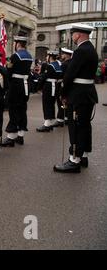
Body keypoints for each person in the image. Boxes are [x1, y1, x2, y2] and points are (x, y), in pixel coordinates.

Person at [54, 24, 98, 173]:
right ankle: (83, 155)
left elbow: (70, 75)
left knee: (76, 127)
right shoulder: (90, 49)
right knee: (84, 126)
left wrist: (64, 94)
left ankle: (74, 159)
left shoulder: (81, 51)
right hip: (86, 93)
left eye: (72, 34)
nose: (72, 36)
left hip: (78, 95)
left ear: (78, 35)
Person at [1, 36, 34, 147]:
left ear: (18, 44)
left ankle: (11, 137)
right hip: (25, 85)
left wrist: (7, 84)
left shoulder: (15, 56)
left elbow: (8, 71)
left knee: (13, 109)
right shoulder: (29, 56)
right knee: (22, 109)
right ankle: (20, 135)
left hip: (16, 85)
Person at [36, 51, 63, 132]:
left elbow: (44, 77)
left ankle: (47, 124)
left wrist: (38, 87)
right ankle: (50, 123)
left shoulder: (50, 66)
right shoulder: (58, 65)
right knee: (51, 104)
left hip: (49, 86)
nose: (46, 58)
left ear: (50, 57)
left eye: (47, 56)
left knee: (47, 104)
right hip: (56, 85)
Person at [55, 48, 73, 126]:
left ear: (66, 55)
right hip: (70, 86)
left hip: (62, 84)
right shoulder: (72, 63)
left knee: (61, 102)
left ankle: (60, 120)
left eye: (63, 54)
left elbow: (60, 75)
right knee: (67, 103)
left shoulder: (64, 64)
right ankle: (67, 118)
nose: (61, 55)